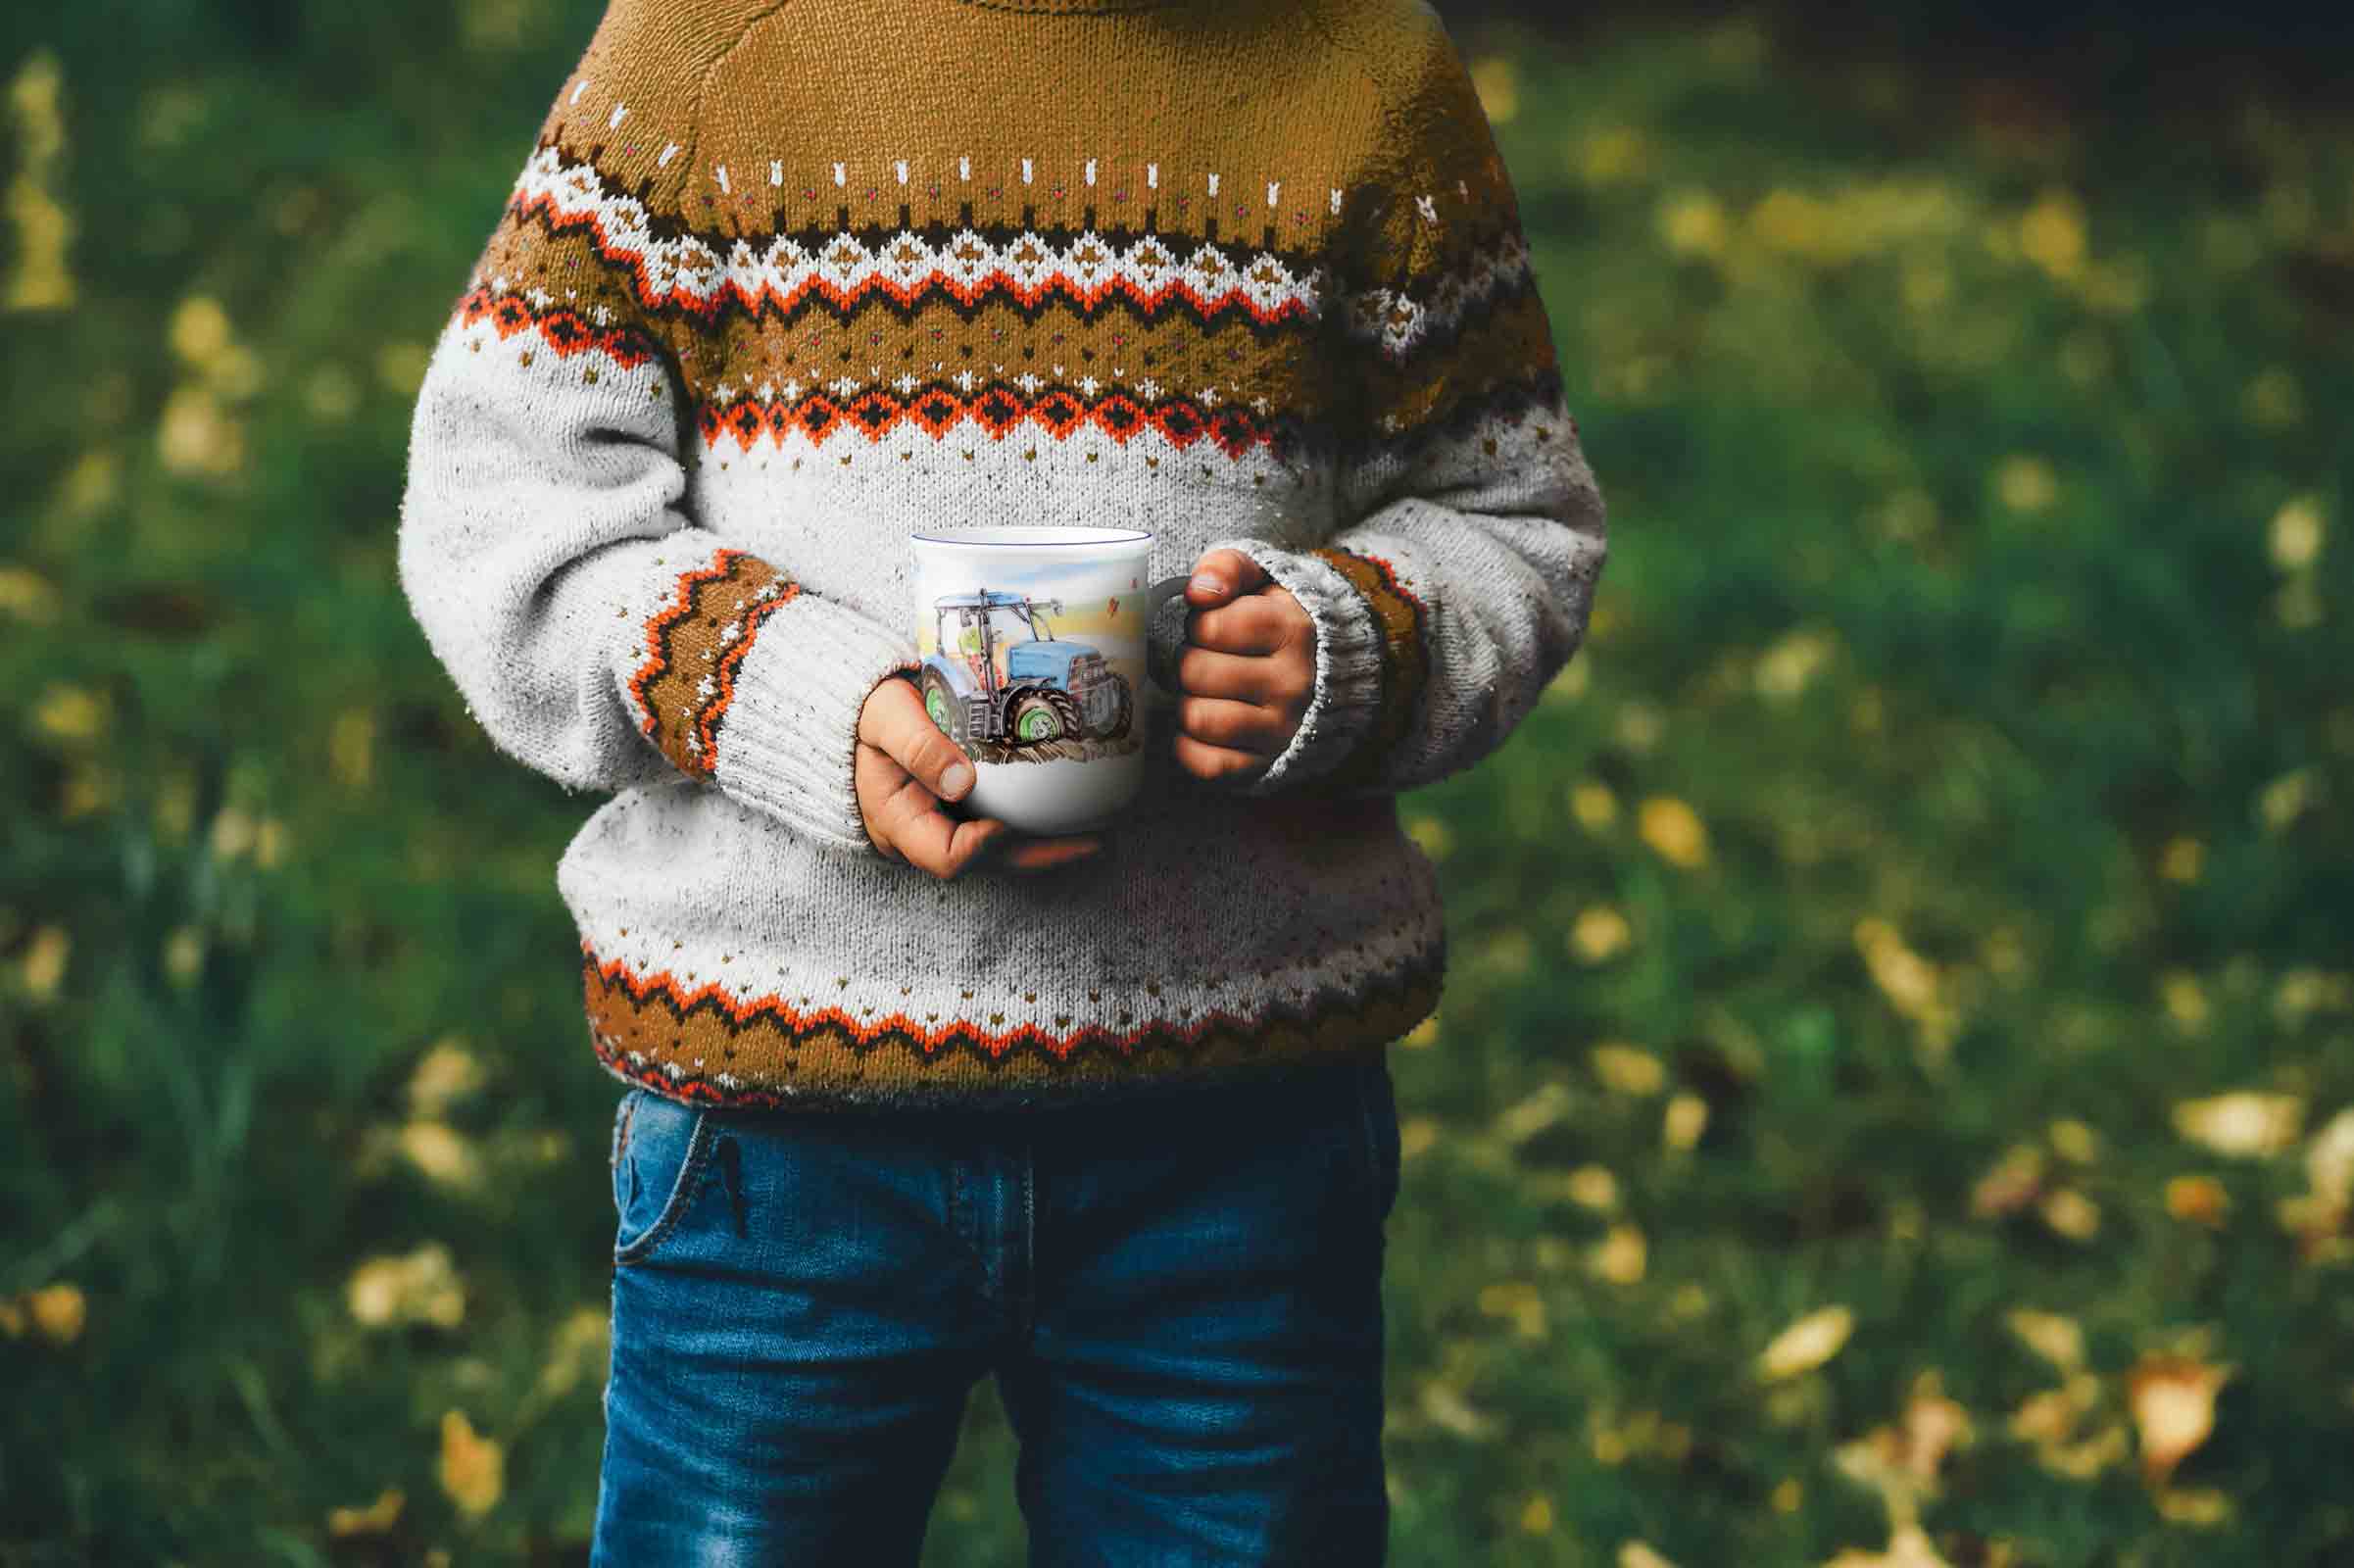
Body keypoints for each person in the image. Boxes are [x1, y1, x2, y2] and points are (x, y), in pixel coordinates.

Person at [396, 0, 1608, 1560]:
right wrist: (777, 691)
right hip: (778, 1136)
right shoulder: (707, 49)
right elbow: (504, 500)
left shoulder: (1362, 72)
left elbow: (1512, 509)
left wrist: (1353, 651)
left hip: (1233, 1141)